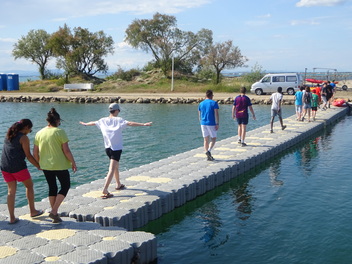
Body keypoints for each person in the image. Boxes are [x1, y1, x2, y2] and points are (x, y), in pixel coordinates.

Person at [79, 103, 152, 199]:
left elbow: (93, 122)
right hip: (116, 149)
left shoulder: (102, 120)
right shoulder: (119, 120)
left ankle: (118, 184)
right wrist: (143, 124)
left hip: (107, 148)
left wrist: (85, 124)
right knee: (112, 169)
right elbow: (130, 123)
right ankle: (105, 189)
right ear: (116, 110)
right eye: (119, 110)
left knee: (116, 166)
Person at [34, 108, 77, 223]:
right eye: (59, 121)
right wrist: (73, 162)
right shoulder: (60, 132)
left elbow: (35, 152)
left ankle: (55, 215)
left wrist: (38, 163)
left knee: (52, 187)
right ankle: (53, 212)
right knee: (65, 186)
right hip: (60, 165)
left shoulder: (39, 133)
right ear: (57, 120)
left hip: (46, 166)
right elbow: (66, 150)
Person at [1, 119, 43, 224]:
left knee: (11, 191)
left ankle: (12, 218)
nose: (30, 131)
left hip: (4, 166)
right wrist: (38, 165)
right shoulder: (23, 138)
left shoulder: (9, 134)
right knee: (29, 186)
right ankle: (33, 211)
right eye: (30, 129)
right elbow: (28, 155)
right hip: (18, 167)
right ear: (26, 128)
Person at [198, 90, 219, 160]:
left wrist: (201, 122)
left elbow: (199, 115)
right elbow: (216, 114)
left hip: (203, 123)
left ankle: (207, 154)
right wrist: (217, 123)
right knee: (214, 138)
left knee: (205, 139)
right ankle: (209, 151)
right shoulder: (214, 103)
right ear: (211, 96)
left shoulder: (201, 103)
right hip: (211, 123)